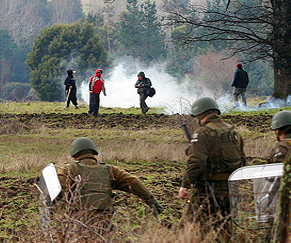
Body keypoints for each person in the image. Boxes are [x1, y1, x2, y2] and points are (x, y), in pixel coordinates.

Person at [56, 137, 163, 233]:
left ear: (75, 155)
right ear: (94, 153)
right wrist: (152, 201)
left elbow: (59, 189)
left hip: (79, 221)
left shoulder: (68, 169)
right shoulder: (109, 170)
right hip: (104, 221)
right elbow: (133, 182)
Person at [178, 97, 246, 240]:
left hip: (207, 191)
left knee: (189, 231)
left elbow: (196, 162)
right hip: (230, 190)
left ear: (201, 114)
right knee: (225, 232)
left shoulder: (203, 133)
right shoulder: (234, 133)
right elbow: (243, 162)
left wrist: (185, 185)